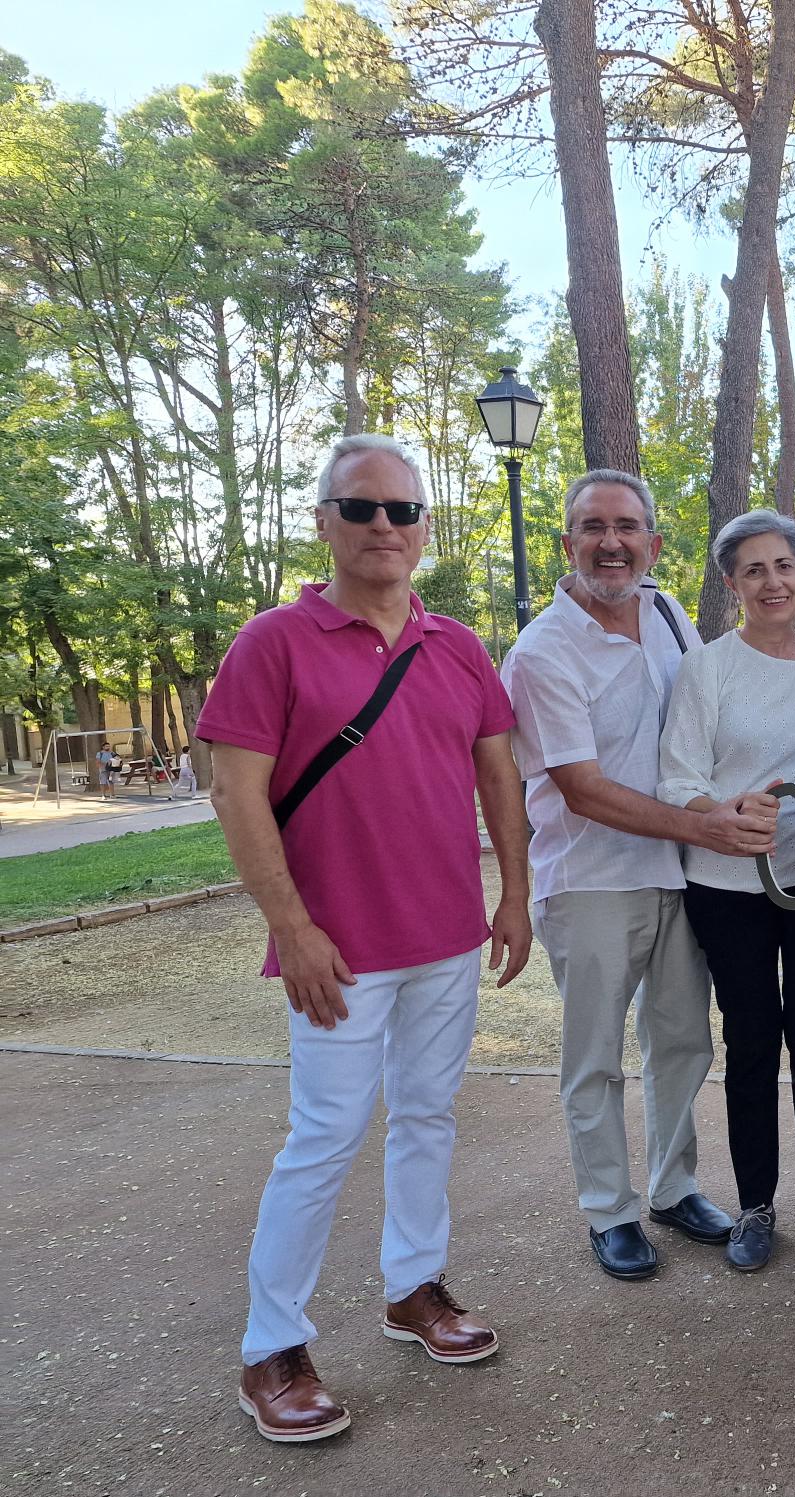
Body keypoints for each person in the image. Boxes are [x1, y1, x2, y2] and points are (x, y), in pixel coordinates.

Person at [200, 433, 533, 1445]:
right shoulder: (273, 642)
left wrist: (515, 896)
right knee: (325, 1138)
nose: (383, 526)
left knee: (428, 1116)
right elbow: (235, 792)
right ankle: (271, 1348)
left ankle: (413, 1289)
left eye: (402, 510)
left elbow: (499, 776)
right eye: (360, 508)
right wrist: (291, 928)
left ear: (424, 528)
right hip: (336, 949)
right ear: (325, 522)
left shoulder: (458, 647)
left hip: (446, 936)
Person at [500, 470, 748, 1284]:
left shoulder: (670, 613)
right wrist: (703, 827)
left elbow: (710, 725)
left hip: (680, 873)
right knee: (596, 1058)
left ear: (654, 542)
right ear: (567, 542)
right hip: (591, 879)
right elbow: (582, 789)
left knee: (682, 1041)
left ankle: (674, 1189)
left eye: (627, 527)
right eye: (594, 528)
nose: (612, 543)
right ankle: (610, 1211)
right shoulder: (543, 650)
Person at [660, 509, 795, 1271]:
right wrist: (718, 816)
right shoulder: (708, 668)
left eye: (783, 565)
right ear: (732, 583)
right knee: (750, 1042)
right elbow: (678, 777)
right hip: (725, 888)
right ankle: (755, 1207)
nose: (772, 582)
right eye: (754, 570)